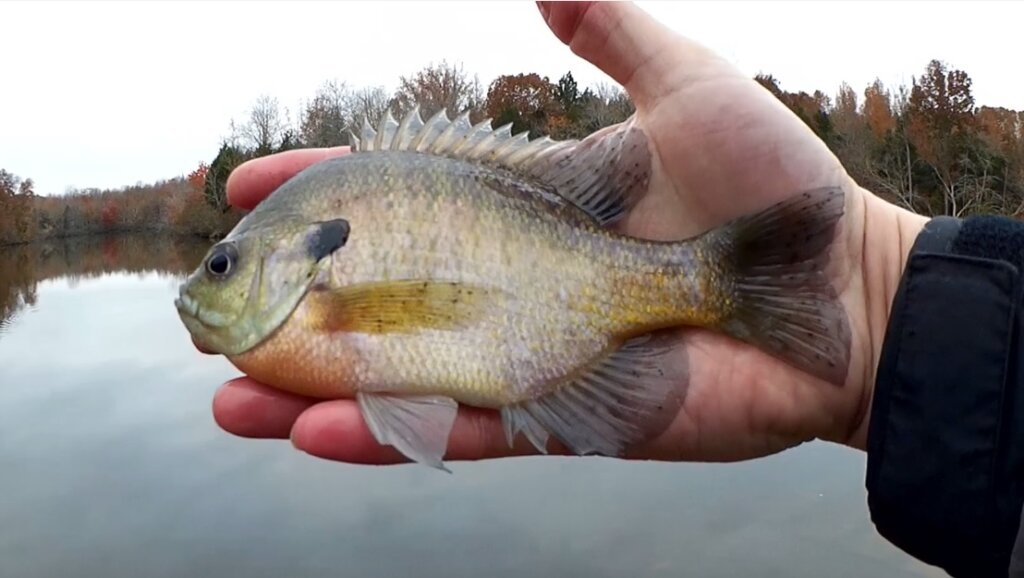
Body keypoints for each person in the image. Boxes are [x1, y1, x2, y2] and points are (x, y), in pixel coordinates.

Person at [204, 2, 1024, 576]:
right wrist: (884, 318)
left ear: (291, 260)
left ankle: (753, 282)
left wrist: (881, 289)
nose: (208, 285)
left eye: (223, 267)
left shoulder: (323, 299)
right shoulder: (314, 289)